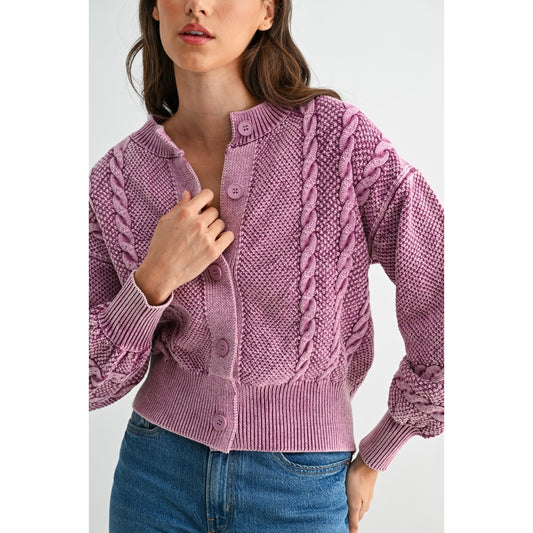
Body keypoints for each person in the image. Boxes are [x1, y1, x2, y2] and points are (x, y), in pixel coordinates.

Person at [89, 0, 444, 531]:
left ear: (267, 12)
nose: (198, 5)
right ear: (155, 8)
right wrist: (151, 281)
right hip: (154, 478)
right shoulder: (116, 178)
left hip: (300, 488)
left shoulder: (338, 141)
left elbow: (445, 290)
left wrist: (380, 450)